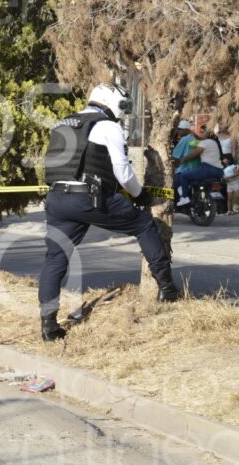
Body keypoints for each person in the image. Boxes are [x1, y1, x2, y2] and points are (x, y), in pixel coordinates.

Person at [38, 83, 179, 342]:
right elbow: (123, 172)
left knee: (55, 259)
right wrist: (140, 195)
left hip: (57, 199)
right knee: (144, 225)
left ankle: (48, 326)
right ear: (112, 102)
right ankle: (167, 288)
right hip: (89, 198)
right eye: (124, 106)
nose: (123, 112)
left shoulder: (63, 124)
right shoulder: (107, 126)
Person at [175, 129, 223, 207]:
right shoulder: (214, 142)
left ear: (206, 135)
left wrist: (184, 159)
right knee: (195, 180)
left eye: (203, 133)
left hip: (208, 169)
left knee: (183, 175)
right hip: (219, 171)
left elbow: (195, 153)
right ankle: (189, 191)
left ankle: (184, 197)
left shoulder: (205, 142)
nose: (201, 135)